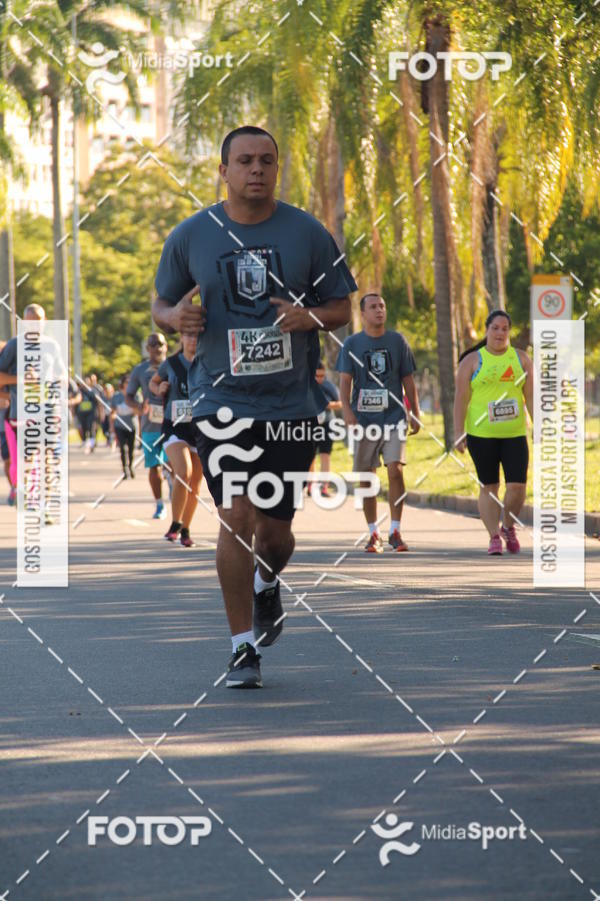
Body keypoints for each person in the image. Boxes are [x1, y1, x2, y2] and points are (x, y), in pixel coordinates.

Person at [152, 125, 356, 688]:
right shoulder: (193, 234)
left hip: (291, 406)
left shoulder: (307, 233)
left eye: (267, 160)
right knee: (236, 515)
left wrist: (308, 316)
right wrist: (175, 319)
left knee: (276, 534)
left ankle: (269, 582)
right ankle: (242, 647)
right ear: (224, 171)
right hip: (220, 400)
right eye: (245, 161)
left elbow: (341, 306)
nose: (257, 170)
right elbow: (161, 301)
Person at [337, 293, 421, 553]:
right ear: (362, 314)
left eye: (382, 306)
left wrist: (415, 411)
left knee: (395, 469)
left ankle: (395, 530)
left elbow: (408, 380)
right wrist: (347, 412)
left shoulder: (397, 341)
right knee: (366, 477)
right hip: (365, 421)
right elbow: (344, 383)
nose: (379, 310)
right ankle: (373, 533)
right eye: (373, 307)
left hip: (394, 418)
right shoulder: (352, 343)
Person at [454, 309, 533, 555]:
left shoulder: (521, 360)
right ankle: (494, 536)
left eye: (504, 329)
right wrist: (459, 432)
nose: (500, 333)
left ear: (510, 332)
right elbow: (461, 400)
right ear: (487, 330)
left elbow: (530, 397)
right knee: (489, 486)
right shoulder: (472, 361)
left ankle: (508, 526)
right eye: (495, 328)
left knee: (517, 487)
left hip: (514, 434)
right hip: (481, 435)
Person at [149, 333, 203, 548]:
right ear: (182, 338)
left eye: (197, 336)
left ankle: (186, 530)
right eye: (188, 335)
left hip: (200, 428)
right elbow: (155, 382)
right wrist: (159, 388)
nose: (193, 340)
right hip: (174, 427)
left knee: (196, 484)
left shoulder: (207, 362)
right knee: (183, 472)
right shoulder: (171, 363)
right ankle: (175, 523)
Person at [0, 304, 46, 493]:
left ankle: (32, 497)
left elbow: (61, 378)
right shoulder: (14, 346)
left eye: (38, 322)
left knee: (41, 459)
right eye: (30, 322)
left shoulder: (51, 346)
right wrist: (21, 380)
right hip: (18, 414)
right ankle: (22, 492)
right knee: (21, 459)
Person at [126, 334, 168, 519]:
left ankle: (177, 500)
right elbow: (129, 395)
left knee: (175, 465)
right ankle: (159, 504)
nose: (157, 347)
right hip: (150, 425)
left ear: (166, 346)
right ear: (147, 348)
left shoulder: (175, 365)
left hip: (173, 423)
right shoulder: (140, 370)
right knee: (154, 466)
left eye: (160, 344)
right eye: (153, 344)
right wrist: (138, 407)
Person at [309, 360, 342, 497]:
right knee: (310, 457)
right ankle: (310, 484)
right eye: (317, 376)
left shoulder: (329, 386)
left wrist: (328, 405)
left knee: (325, 456)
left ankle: (324, 486)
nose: (320, 379)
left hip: (328, 424)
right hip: (311, 424)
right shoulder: (307, 386)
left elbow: (340, 403)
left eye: (322, 376)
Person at [110, 375, 136, 479]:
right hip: (119, 426)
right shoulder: (116, 397)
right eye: (126, 382)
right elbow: (112, 413)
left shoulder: (135, 396)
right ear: (122, 384)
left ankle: (130, 466)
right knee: (123, 449)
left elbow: (139, 411)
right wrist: (111, 427)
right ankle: (125, 469)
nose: (128, 384)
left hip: (132, 426)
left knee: (131, 449)